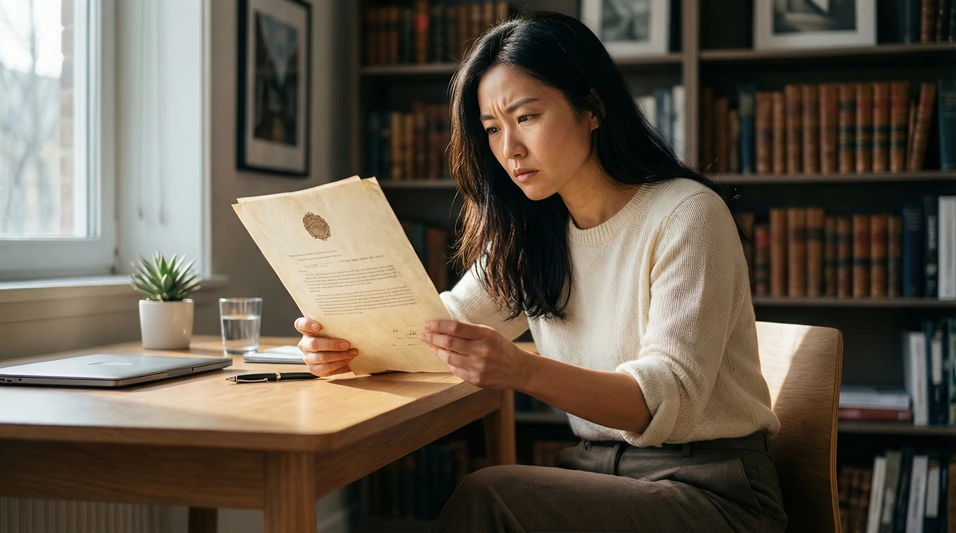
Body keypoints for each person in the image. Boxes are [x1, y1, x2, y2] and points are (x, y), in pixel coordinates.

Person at [295, 10, 786, 533]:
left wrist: (522, 371)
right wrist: (343, 345)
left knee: (490, 496)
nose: (509, 149)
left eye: (526, 117)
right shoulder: (533, 231)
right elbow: (437, 327)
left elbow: (670, 401)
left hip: (711, 491)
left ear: (591, 108)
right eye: (492, 128)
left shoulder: (687, 215)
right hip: (601, 473)